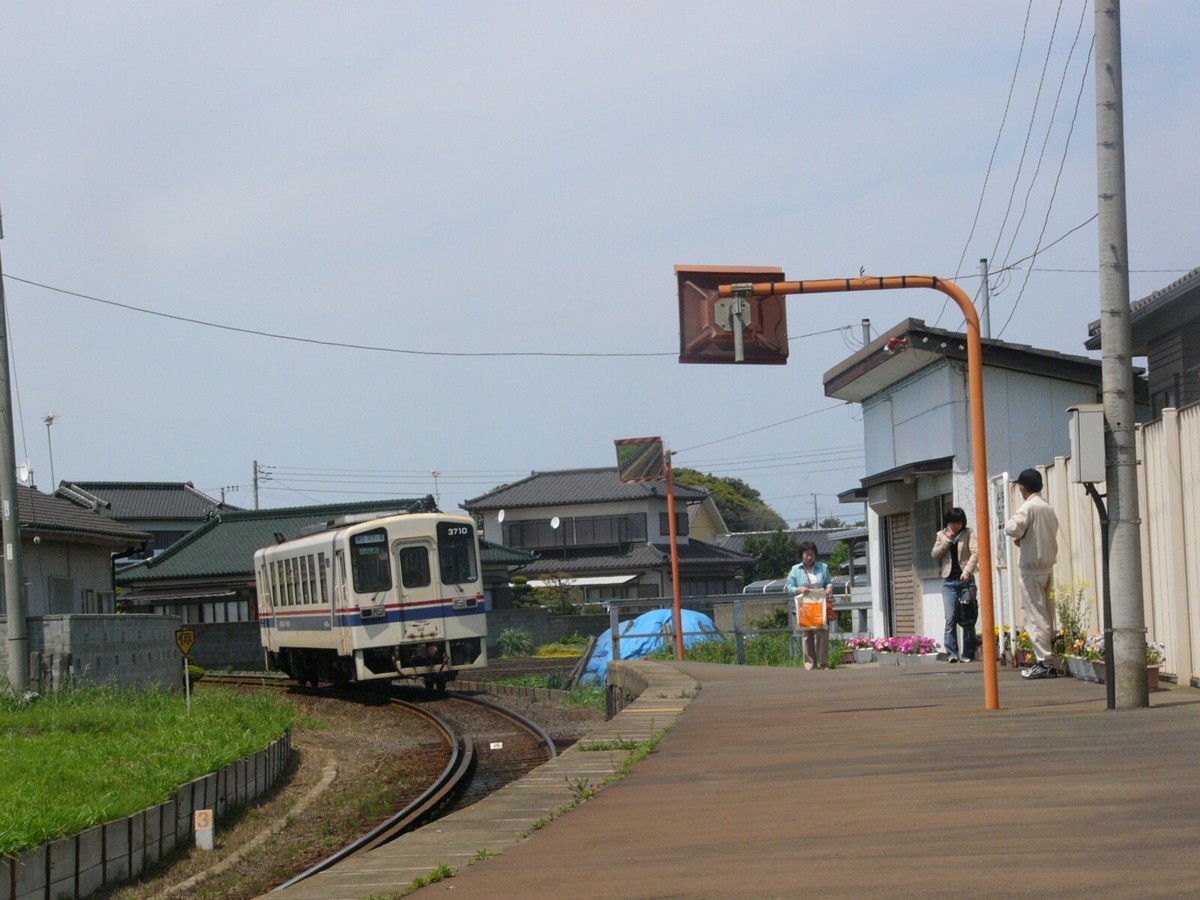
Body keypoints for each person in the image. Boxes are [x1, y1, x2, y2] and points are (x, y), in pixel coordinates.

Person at [1004, 468, 1060, 679]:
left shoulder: (1028, 507)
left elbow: (1012, 528)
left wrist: (1015, 532)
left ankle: (1044, 662)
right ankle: (1047, 660)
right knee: (1046, 614)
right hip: (1047, 567)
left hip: (1031, 570)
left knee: (1035, 616)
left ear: (1022, 487)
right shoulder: (1048, 507)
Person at [931, 507, 979, 663]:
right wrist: (947, 541)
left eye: (959, 523)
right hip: (949, 582)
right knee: (950, 618)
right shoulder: (941, 535)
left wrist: (967, 571)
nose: (956, 526)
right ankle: (952, 653)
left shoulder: (969, 533)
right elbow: (935, 554)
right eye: (953, 523)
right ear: (948, 522)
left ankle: (968, 654)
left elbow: (975, 553)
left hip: (966, 581)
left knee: (967, 618)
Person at [786, 540, 834, 670]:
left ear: (815, 555)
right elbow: (789, 587)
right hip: (805, 607)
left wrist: (829, 588)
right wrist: (799, 589)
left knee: (822, 633)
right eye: (806, 554)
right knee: (807, 635)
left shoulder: (823, 567)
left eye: (811, 554)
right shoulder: (795, 570)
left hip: (820, 605)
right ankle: (810, 664)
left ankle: (824, 663)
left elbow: (828, 582)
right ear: (802, 555)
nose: (809, 557)